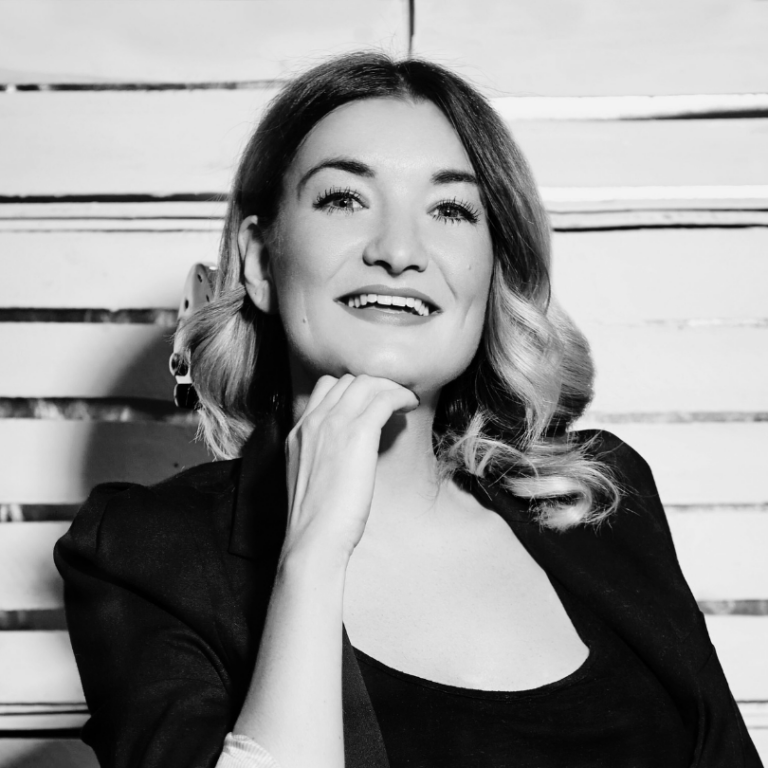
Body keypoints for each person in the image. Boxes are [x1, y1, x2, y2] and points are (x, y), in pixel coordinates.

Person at [54, 52, 762, 768]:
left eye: (451, 210)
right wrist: (311, 556)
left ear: (492, 270)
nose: (398, 251)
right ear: (261, 263)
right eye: (343, 199)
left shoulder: (600, 498)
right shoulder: (145, 554)